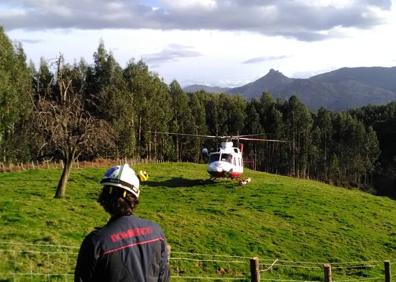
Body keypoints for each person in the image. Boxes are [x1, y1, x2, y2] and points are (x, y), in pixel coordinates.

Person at [74, 164, 170, 282]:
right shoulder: (156, 232)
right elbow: (164, 277)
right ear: (134, 197)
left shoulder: (96, 242)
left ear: (105, 195)